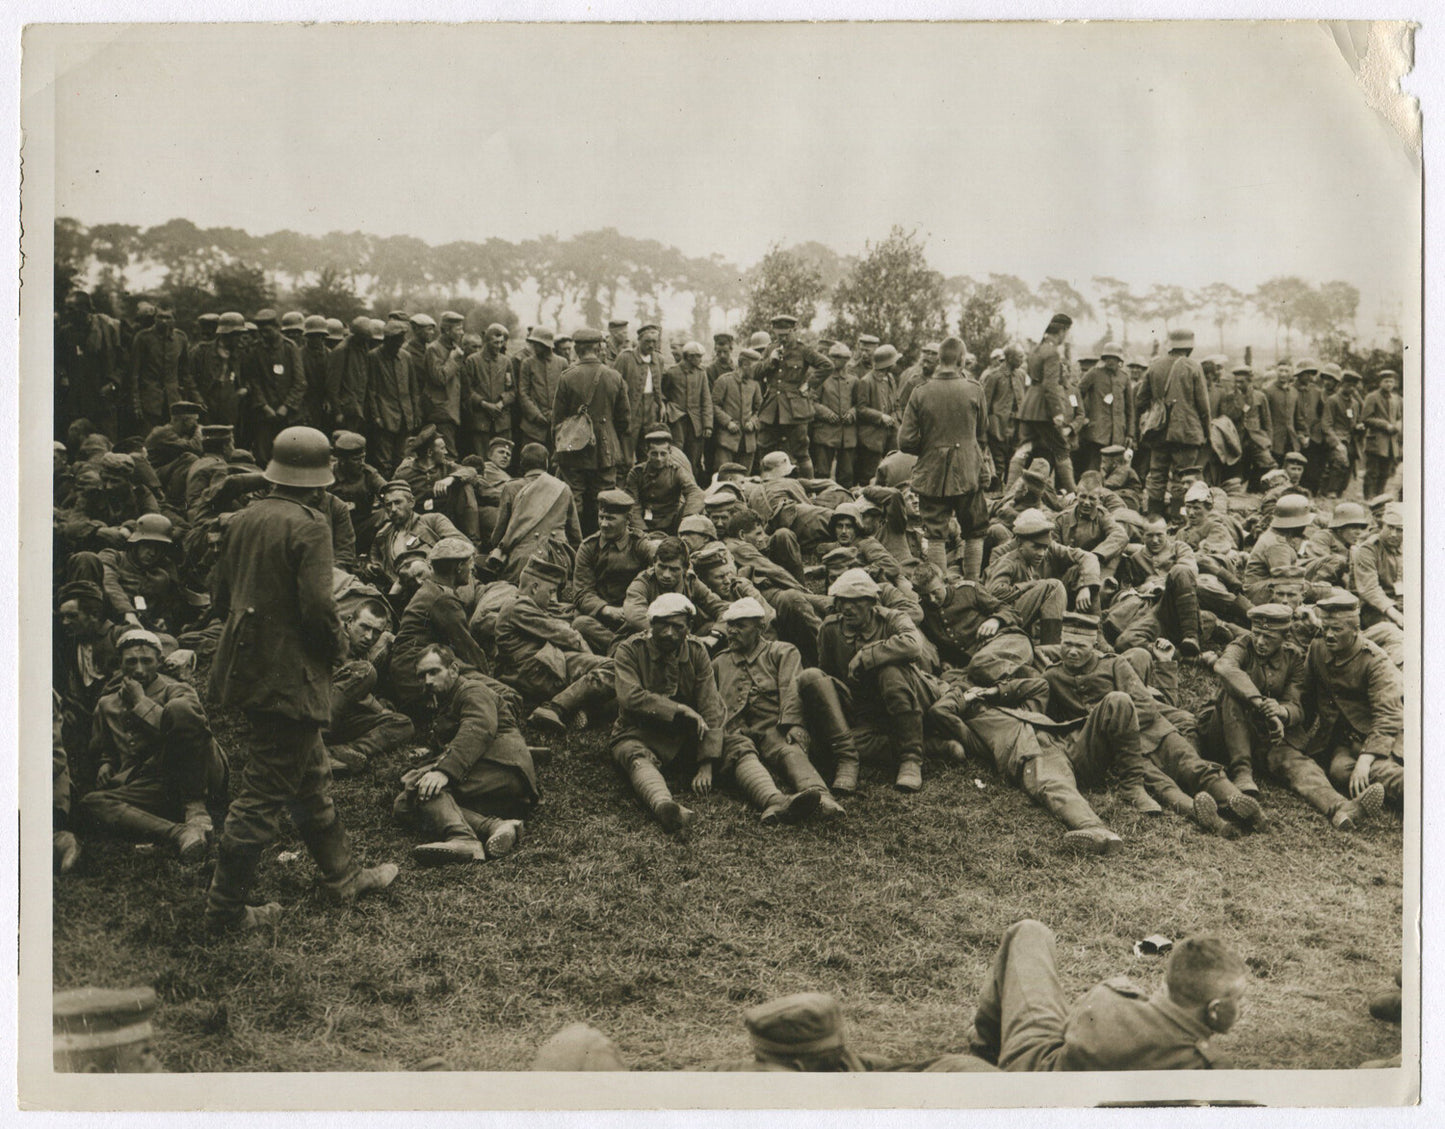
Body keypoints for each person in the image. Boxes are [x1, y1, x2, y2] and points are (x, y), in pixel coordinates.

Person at [204, 426, 397, 932]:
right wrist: (336, 650)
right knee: (263, 791)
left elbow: (220, 599)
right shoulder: (312, 525)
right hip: (287, 678)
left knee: (310, 778)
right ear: (319, 479)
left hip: (245, 668)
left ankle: (344, 876)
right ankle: (225, 909)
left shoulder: (243, 518)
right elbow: (318, 610)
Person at [1040, 611, 1263, 830]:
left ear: (1093, 645)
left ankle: (1245, 807)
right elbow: (1056, 723)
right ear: (1060, 641)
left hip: (1153, 730)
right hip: (1119, 747)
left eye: (1080, 646)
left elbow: (1145, 706)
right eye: (1067, 644)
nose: (1072, 652)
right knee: (1160, 784)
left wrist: (1123, 723)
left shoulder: (1114, 664)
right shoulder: (1052, 676)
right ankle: (1212, 821)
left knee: (1193, 766)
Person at [927, 632, 1122, 854]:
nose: (972, 690)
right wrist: (962, 695)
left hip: (1060, 741)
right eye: (962, 689)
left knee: (1112, 709)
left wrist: (995, 692)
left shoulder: (1016, 710)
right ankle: (1095, 830)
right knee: (1054, 784)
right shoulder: (972, 728)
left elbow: (1039, 687)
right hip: (1028, 754)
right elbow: (939, 712)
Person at [971, 919, 1247, 1070]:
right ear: (1214, 1009)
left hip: (1035, 1074)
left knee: (1030, 931)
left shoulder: (1109, 998)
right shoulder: (1210, 1069)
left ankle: (986, 1055)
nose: (1241, 1006)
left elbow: (1065, 1035)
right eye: (1239, 998)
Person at [1206, 603, 1383, 827]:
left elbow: (1296, 705)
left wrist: (1281, 713)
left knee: (1300, 766)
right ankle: (1242, 772)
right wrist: (1260, 703)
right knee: (1233, 695)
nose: (1260, 642)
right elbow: (1225, 667)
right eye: (1257, 633)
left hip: (1265, 736)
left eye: (1268, 637)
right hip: (1223, 733)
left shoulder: (1294, 658)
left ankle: (1342, 807)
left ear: (1284, 636)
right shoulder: (1241, 646)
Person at [79, 628, 226, 860]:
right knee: (92, 803)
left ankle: (195, 806)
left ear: (159, 662)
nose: (139, 669)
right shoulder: (107, 704)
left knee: (179, 710)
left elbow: (187, 735)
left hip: (197, 774)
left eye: (147, 661)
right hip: (151, 785)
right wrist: (105, 764)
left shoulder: (177, 690)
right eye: (131, 662)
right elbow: (105, 748)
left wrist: (140, 701)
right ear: (120, 664)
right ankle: (178, 833)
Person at [393, 644, 534, 864]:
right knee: (404, 805)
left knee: (425, 788)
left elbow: (479, 727)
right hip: (488, 775)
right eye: (422, 676)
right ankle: (497, 826)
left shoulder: (473, 689)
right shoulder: (447, 701)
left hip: (504, 769)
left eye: (434, 672)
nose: (427, 681)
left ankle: (463, 838)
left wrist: (444, 771)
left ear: (454, 669)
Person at [712, 596, 845, 820]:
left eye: (740, 626)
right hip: (736, 727)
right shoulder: (718, 662)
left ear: (760, 628)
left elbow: (790, 688)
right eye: (730, 625)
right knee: (740, 753)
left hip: (774, 722)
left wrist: (793, 724)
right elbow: (712, 702)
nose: (732, 631)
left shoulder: (782, 652)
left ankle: (822, 798)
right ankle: (773, 802)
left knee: (788, 748)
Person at [608, 593, 724, 835]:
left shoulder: (697, 651)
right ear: (651, 624)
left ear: (689, 628)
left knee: (737, 745)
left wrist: (706, 764)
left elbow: (710, 705)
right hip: (637, 731)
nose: (669, 633)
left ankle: (773, 799)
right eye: (663, 625)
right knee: (633, 755)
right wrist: (678, 708)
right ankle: (665, 806)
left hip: (686, 736)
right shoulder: (629, 650)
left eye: (677, 627)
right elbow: (629, 697)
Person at [813, 568, 938, 793]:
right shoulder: (830, 630)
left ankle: (911, 758)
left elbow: (913, 645)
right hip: (868, 712)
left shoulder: (892, 619)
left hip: (911, 697)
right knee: (831, 744)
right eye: (842, 601)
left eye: (855, 601)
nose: (847, 608)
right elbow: (828, 674)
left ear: (872, 601)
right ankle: (932, 746)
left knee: (889, 670)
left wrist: (867, 654)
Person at [899, 336, 993, 581]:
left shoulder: (921, 392)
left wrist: (931, 448)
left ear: (939, 359)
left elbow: (905, 441)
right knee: (974, 531)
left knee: (935, 535)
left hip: (932, 475)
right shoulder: (975, 389)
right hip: (969, 472)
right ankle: (972, 587)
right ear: (962, 359)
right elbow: (983, 433)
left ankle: (939, 590)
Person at [1303, 591, 1404, 809]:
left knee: (1379, 771)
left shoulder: (1375, 662)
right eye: (1325, 628)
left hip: (1384, 736)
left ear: (1356, 630)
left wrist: (1366, 758)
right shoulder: (1318, 648)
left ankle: (1420, 792)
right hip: (1346, 740)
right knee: (1339, 771)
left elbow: (1388, 716)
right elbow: (1307, 698)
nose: (1329, 635)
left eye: (1337, 629)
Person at [388, 536, 493, 711]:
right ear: (458, 567)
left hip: (412, 670)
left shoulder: (431, 589)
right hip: (420, 674)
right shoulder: (443, 599)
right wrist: (487, 675)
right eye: (469, 563)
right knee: (499, 693)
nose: (472, 567)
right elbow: (467, 648)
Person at [551, 327, 631, 536]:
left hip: (573, 448)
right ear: (598, 347)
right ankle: (602, 541)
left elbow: (557, 420)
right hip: (605, 450)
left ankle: (575, 543)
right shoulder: (614, 377)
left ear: (577, 349)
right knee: (604, 497)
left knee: (574, 496)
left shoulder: (567, 377)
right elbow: (624, 420)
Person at [324, 599, 415, 776]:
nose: (369, 637)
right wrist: (377, 708)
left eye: (376, 632)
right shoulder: (329, 638)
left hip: (340, 719)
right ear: (349, 622)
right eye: (364, 627)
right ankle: (308, 747)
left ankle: (341, 752)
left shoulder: (361, 650)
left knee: (402, 723)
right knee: (366, 672)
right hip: (311, 716)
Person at [984, 509, 1100, 645]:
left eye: (1044, 548)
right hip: (1000, 619)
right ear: (1020, 543)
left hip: (1024, 615)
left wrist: (1085, 586)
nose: (1042, 553)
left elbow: (1089, 557)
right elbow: (993, 594)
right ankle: (1051, 645)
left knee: (1078, 576)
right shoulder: (1007, 560)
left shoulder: (1035, 553)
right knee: (1053, 586)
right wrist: (1032, 585)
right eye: (1036, 547)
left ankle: (1097, 633)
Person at [1136, 328, 1212, 518]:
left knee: (1157, 475)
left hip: (1158, 432)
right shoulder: (1193, 367)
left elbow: (1140, 400)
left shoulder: (1155, 366)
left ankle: (1154, 516)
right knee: (1184, 476)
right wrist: (1206, 431)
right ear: (1189, 347)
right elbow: (1203, 406)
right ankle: (1179, 517)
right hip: (1187, 433)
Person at [571, 488, 653, 652]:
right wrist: (606, 609)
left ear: (627, 519)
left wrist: (635, 609)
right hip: (601, 617)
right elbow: (582, 592)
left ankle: (621, 648)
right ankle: (625, 649)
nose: (603, 524)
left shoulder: (639, 545)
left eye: (610, 518)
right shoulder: (589, 547)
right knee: (580, 624)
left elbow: (660, 569)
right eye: (601, 517)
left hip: (633, 614)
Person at [487, 441, 581, 582]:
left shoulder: (511, 487)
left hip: (522, 562)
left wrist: (496, 547)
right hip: (557, 561)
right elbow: (575, 534)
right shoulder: (563, 488)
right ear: (546, 463)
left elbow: (500, 531)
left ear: (522, 464)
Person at [754, 314, 829, 477]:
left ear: (793, 330)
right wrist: (770, 361)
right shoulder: (770, 349)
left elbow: (826, 366)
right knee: (765, 447)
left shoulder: (803, 350)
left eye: (786, 334)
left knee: (801, 451)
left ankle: (809, 491)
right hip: (772, 409)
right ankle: (766, 488)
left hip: (796, 409)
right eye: (779, 335)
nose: (782, 338)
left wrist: (808, 385)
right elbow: (755, 373)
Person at [368, 478, 466, 586]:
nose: (393, 509)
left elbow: (463, 545)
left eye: (398, 502)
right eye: (388, 505)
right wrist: (374, 567)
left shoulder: (433, 521)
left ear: (411, 502)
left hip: (439, 585)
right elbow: (375, 561)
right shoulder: (383, 535)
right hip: (401, 592)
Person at [1019, 314, 1077, 494]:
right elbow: (1050, 385)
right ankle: (1073, 493)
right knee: (1062, 448)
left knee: (1026, 447)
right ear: (1062, 331)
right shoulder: (1052, 353)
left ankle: (1012, 491)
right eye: (1066, 333)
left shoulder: (1037, 349)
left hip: (1030, 406)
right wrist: (1057, 412)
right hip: (1043, 408)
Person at [624, 428, 706, 537]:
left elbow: (696, 493)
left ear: (670, 453)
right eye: (654, 454)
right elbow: (633, 504)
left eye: (663, 454)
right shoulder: (636, 473)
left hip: (671, 523)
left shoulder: (676, 471)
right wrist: (642, 531)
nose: (659, 458)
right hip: (644, 524)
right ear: (646, 452)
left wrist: (686, 519)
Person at [128, 299, 195, 432]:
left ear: (174, 319)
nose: (164, 321)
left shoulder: (181, 338)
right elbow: (134, 374)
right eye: (160, 317)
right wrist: (136, 405)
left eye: (168, 317)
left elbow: (185, 373)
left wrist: (193, 399)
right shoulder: (143, 338)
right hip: (149, 403)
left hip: (173, 403)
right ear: (154, 318)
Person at [1075, 343, 1134, 475]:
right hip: (1097, 432)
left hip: (1118, 432)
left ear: (1120, 361)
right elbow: (1076, 393)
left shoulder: (1124, 378)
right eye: (1107, 358)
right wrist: (1079, 414)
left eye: (1114, 358)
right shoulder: (1094, 374)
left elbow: (1130, 409)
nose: (1110, 361)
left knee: (1115, 468)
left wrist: (1130, 433)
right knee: (1094, 466)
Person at [460, 322, 515, 459]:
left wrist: (501, 403)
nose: (499, 346)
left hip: (501, 421)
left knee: (503, 459)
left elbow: (513, 390)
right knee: (482, 459)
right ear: (486, 341)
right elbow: (467, 391)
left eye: (501, 342)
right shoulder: (472, 361)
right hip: (481, 422)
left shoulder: (506, 362)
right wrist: (484, 404)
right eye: (495, 342)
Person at [614, 322, 667, 464]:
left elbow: (659, 386)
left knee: (648, 446)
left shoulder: (659, 359)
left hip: (651, 409)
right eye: (647, 341)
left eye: (654, 342)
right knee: (627, 447)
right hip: (630, 408)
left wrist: (661, 404)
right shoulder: (625, 358)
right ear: (639, 341)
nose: (651, 345)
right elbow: (615, 385)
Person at [1350, 501, 1404, 631]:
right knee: (1393, 631)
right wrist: (1397, 616)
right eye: (1390, 527)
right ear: (1382, 525)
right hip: (1374, 608)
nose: (1393, 534)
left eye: (1400, 530)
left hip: (1401, 603)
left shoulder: (1410, 547)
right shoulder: (1368, 549)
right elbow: (1370, 590)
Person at [662, 341, 713, 476]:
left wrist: (708, 425)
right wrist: (669, 409)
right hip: (677, 420)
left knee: (694, 456)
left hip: (696, 422)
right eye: (698, 356)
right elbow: (663, 394)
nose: (701, 360)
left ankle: (692, 487)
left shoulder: (701, 373)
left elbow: (706, 399)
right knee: (676, 453)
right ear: (689, 357)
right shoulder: (672, 373)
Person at [854, 343, 902, 487]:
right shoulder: (866, 381)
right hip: (872, 436)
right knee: (869, 474)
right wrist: (881, 416)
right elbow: (861, 409)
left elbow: (896, 402)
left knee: (893, 468)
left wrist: (897, 418)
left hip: (890, 433)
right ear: (888, 363)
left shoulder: (891, 378)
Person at [711, 346, 762, 476]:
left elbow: (760, 408)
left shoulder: (755, 384)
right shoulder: (724, 380)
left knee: (744, 478)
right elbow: (714, 405)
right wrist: (728, 422)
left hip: (748, 441)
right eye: (755, 367)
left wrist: (753, 422)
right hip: (726, 439)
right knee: (723, 475)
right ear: (744, 364)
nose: (757, 371)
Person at [420, 311, 466, 453]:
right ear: (446, 330)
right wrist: (453, 359)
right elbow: (439, 378)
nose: (462, 333)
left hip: (454, 413)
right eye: (458, 329)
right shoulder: (434, 349)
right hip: (442, 413)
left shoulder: (454, 348)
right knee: (447, 455)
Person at [516, 326, 565, 453]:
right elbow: (523, 393)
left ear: (545, 345)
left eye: (537, 344)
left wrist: (557, 414)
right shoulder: (527, 363)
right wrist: (536, 415)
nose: (534, 347)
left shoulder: (562, 363)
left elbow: (566, 392)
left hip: (557, 425)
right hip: (533, 427)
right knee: (531, 458)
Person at [1360, 369, 1402, 499]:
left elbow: (1399, 416)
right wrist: (1385, 425)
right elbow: (1366, 418)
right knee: (1372, 471)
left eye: (1391, 381)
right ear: (1380, 382)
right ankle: (1369, 497)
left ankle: (1379, 497)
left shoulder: (1396, 399)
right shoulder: (1372, 397)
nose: (1389, 384)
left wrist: (1399, 425)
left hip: (1391, 443)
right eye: (1386, 381)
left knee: (1385, 472)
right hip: (1376, 441)